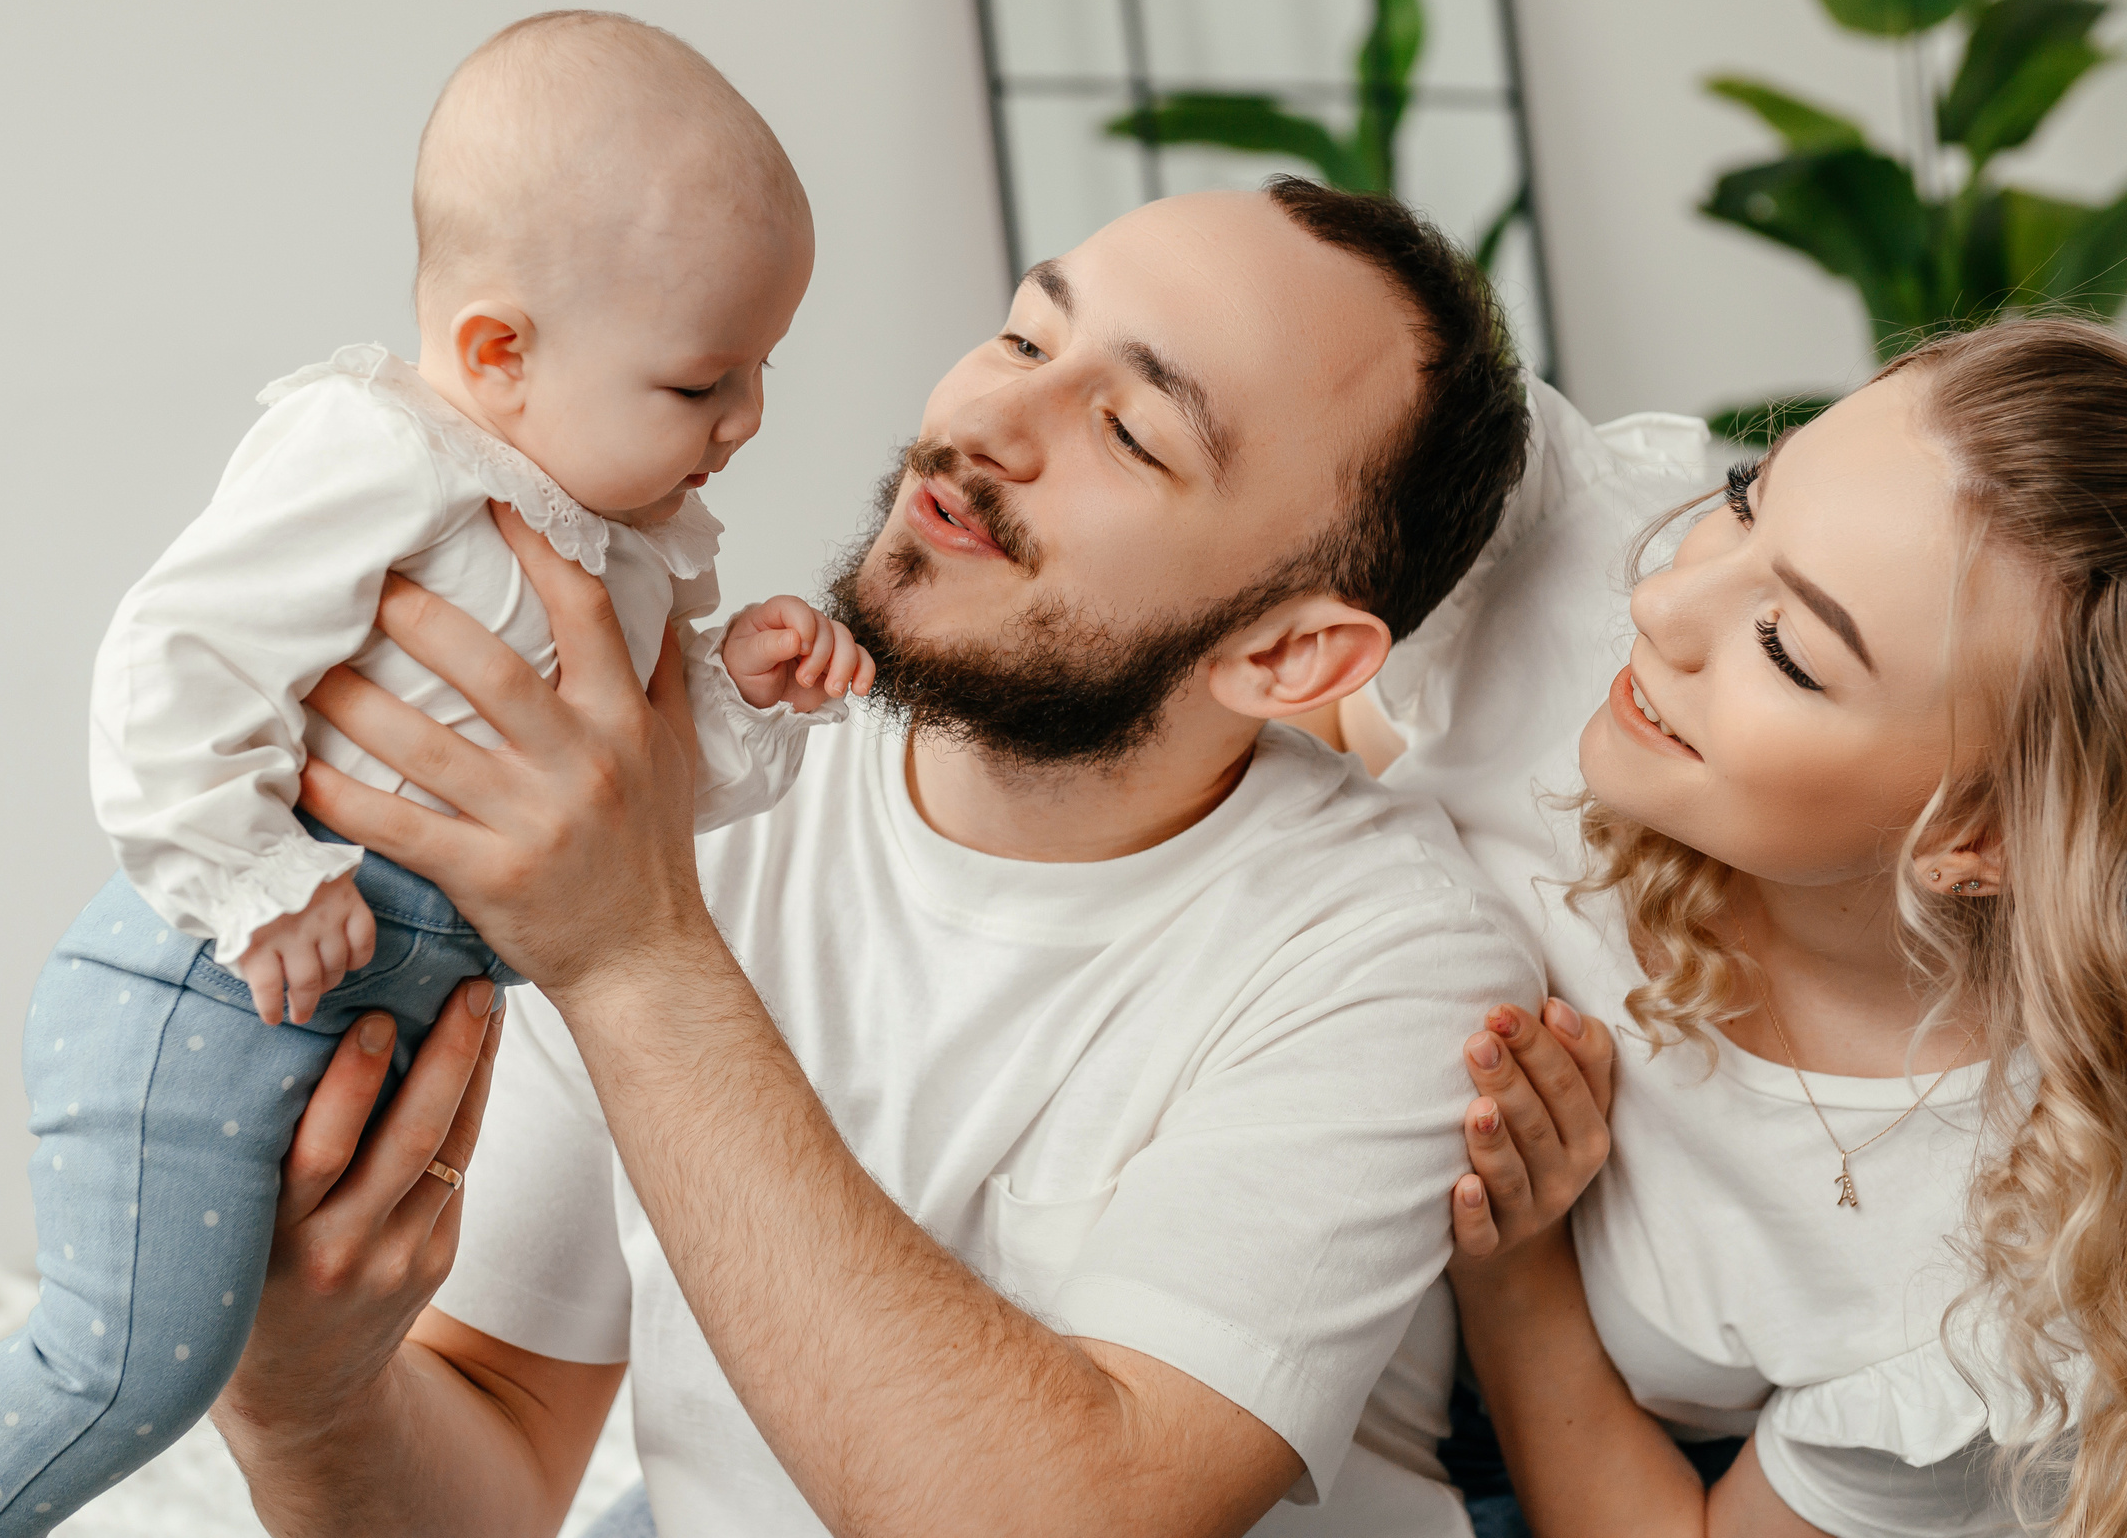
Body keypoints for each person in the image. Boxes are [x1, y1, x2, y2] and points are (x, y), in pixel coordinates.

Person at [202, 179, 1549, 1538]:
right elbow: (495, 1434)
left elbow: (1070, 1519)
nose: (981, 425)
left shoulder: (1400, 960)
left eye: (1132, 433)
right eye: (1027, 338)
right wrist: (301, 1403)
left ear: (1289, 656)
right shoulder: (696, 795)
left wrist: (631, 953)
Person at [0, 11, 873, 1538]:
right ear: (496, 354)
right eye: (703, 381)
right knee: (128, 1369)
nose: (750, 419)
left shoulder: (633, 546)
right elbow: (175, 657)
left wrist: (742, 698)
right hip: (206, 994)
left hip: (346, 1031)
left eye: (766, 369)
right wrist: (253, 880)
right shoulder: (386, 456)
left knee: (237, 1353)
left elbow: (625, 815)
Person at [1369, 319, 2127, 1536]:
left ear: (1983, 837)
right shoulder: (1567, 538)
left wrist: (1515, 1275)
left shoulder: (2011, 1288)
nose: (1656, 598)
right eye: (1744, 499)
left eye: (1785, 651)